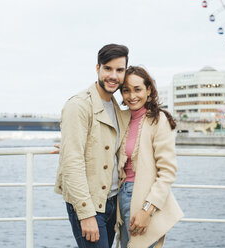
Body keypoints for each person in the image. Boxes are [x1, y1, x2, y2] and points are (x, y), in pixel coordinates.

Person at [54, 44, 131, 248]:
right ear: (97, 68)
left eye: (119, 70)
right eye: (108, 68)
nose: (113, 75)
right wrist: (86, 213)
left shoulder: (118, 108)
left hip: (112, 202)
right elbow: (72, 162)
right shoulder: (78, 105)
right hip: (89, 204)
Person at [116, 66, 184, 248]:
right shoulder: (121, 119)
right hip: (119, 197)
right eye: (126, 90)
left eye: (138, 89)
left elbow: (168, 172)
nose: (132, 96)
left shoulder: (158, 120)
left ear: (148, 90)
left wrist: (147, 209)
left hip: (143, 197)